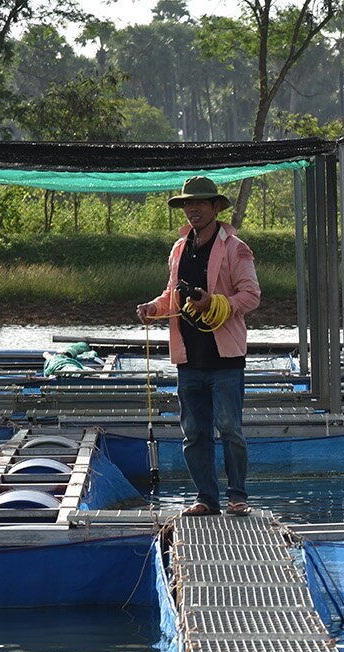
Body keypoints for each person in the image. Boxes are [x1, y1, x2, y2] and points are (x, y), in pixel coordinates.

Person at [137, 177, 260, 516]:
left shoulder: (236, 248)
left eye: (200, 203)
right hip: (189, 358)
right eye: (188, 204)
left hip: (225, 358)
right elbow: (171, 295)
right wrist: (153, 308)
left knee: (230, 429)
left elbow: (251, 295)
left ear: (215, 207)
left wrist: (217, 303)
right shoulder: (179, 248)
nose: (193, 209)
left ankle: (238, 497)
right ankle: (206, 498)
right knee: (193, 432)